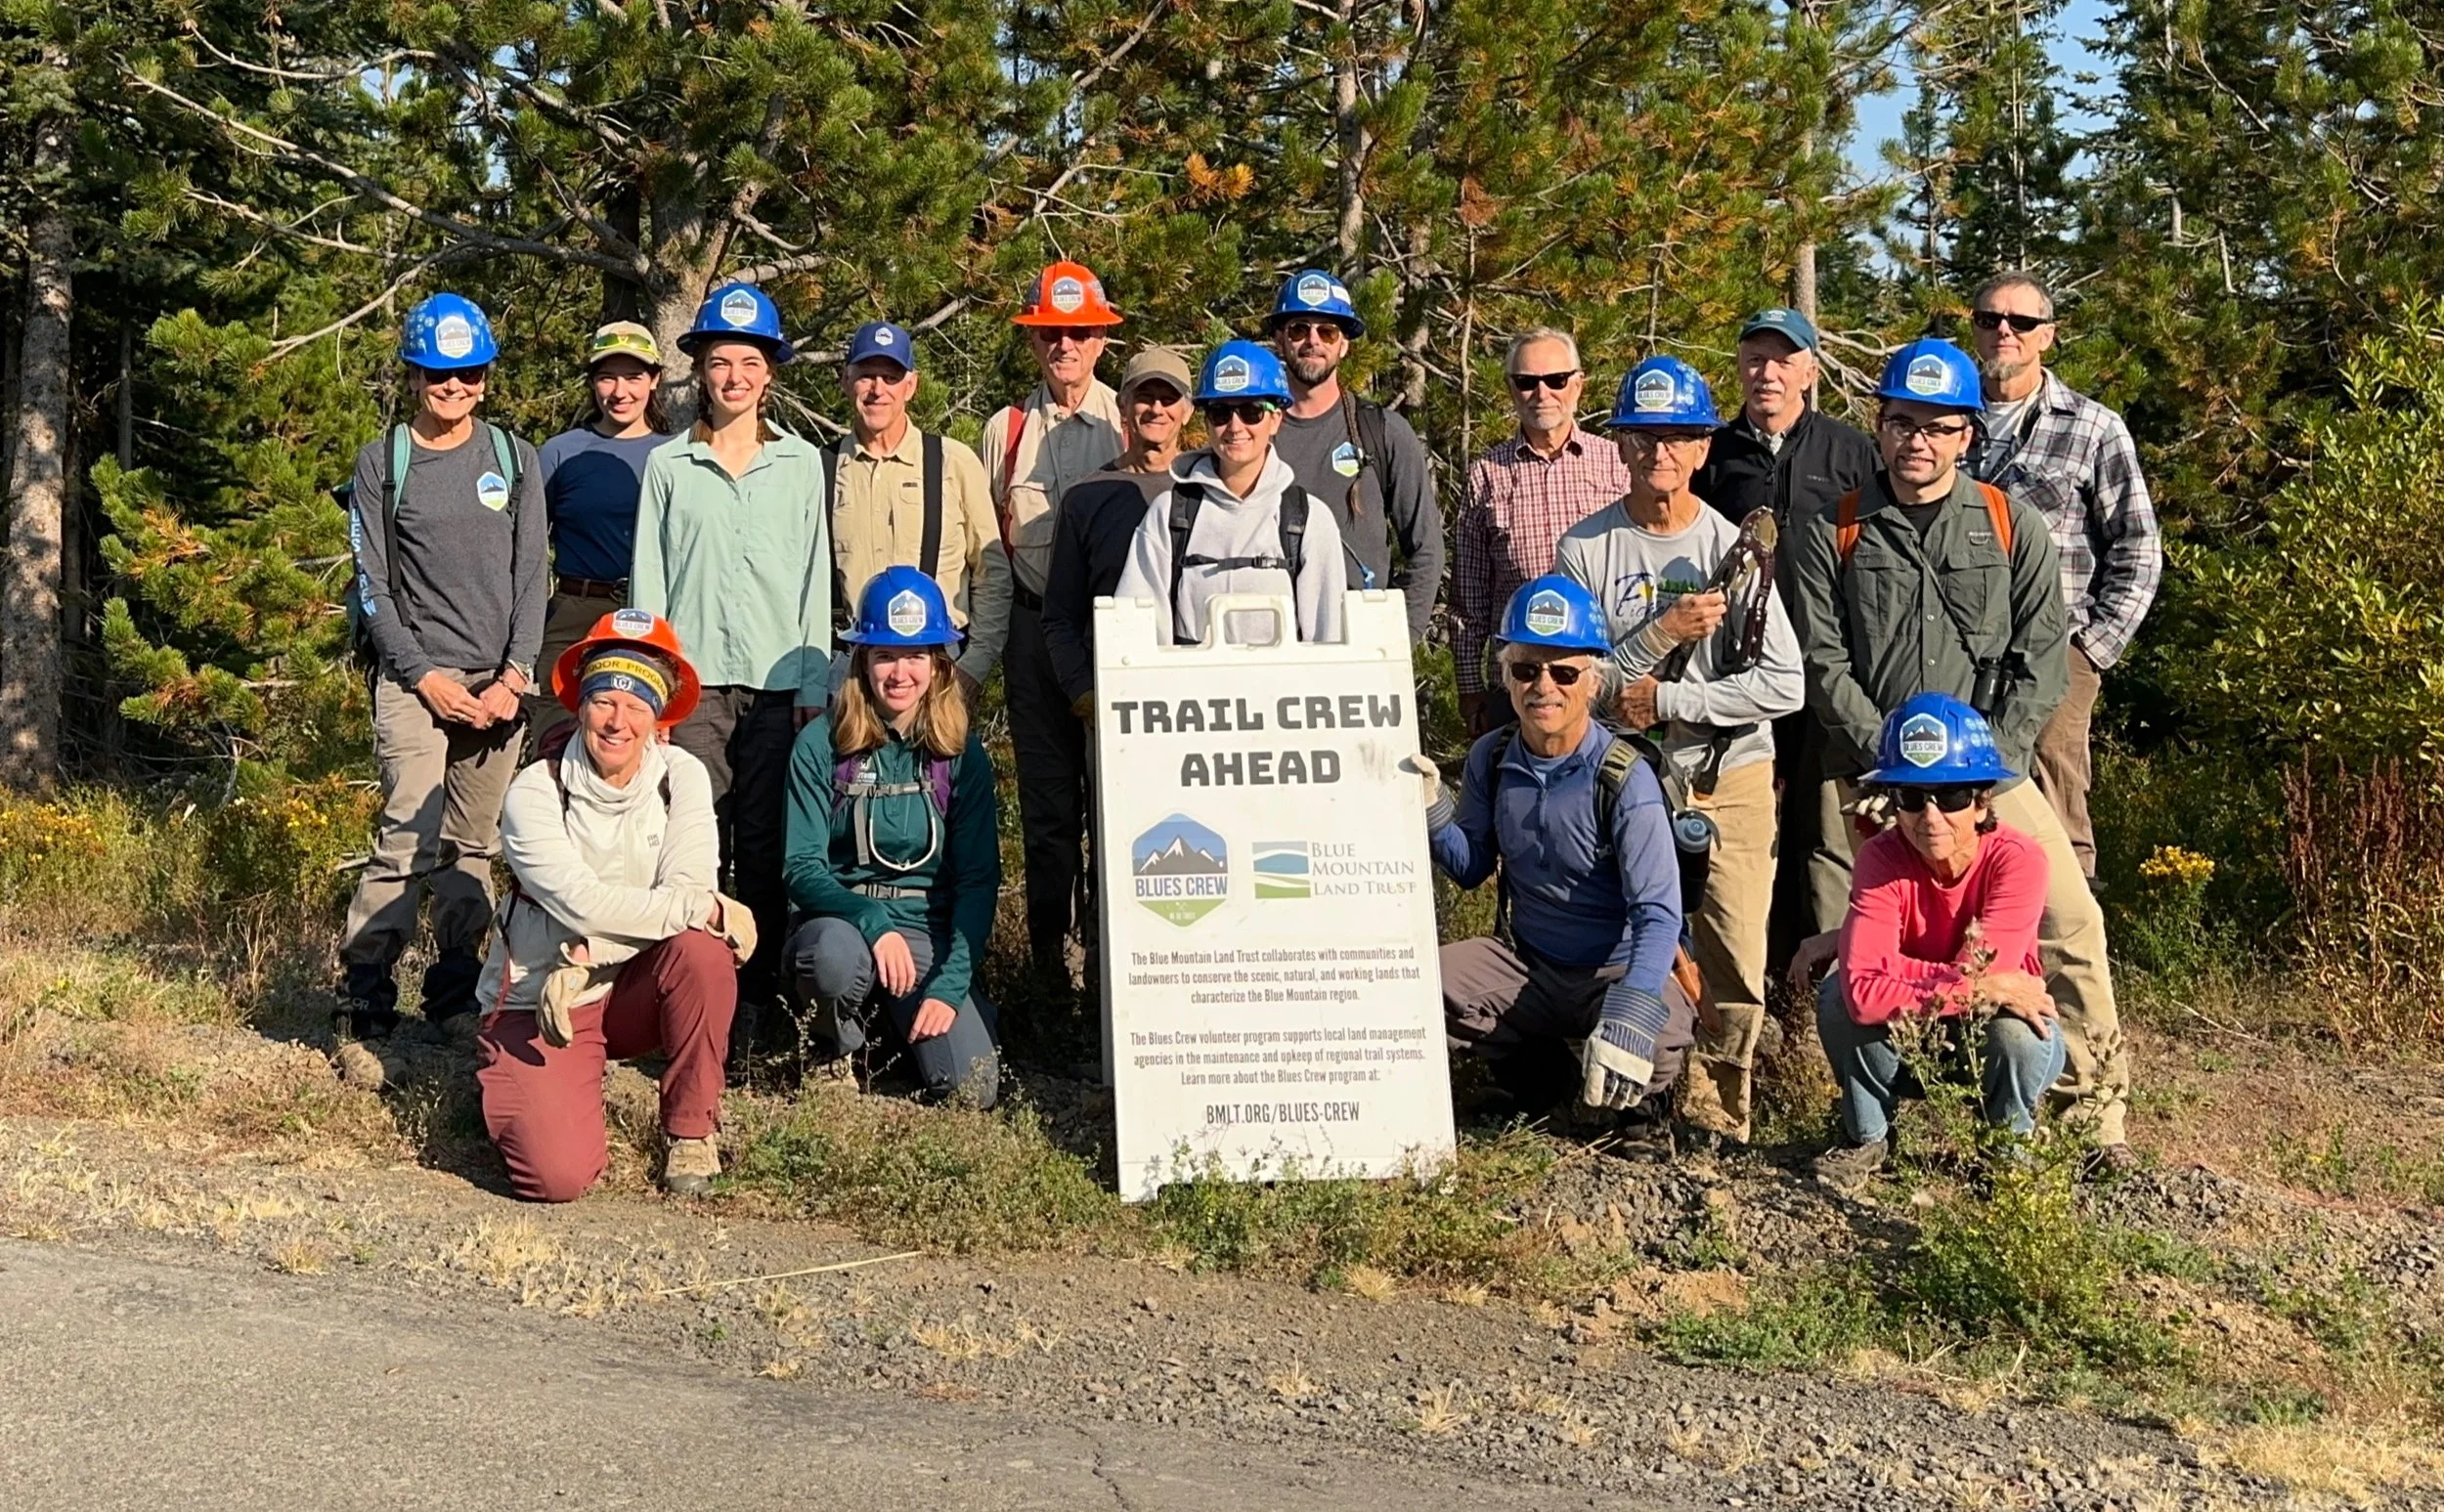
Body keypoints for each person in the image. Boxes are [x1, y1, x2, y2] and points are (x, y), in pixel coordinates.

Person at [1787, 336, 2132, 1162]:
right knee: (1860, 947)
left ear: (1967, 434)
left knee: (2071, 921)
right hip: (1874, 774)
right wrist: (1893, 762)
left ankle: (2093, 1120)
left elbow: (2042, 656)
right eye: (1904, 422)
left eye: (1940, 427)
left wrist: (1981, 767)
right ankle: (1868, 1120)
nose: (1919, 441)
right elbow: (1823, 658)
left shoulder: (2013, 526)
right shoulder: (1831, 528)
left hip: (1985, 771)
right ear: (1881, 425)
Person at [1555, 356, 1803, 1141]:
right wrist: (1661, 633)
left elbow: (1784, 683)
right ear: (1619, 446)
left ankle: (1722, 1115)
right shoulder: (1586, 550)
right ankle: (1642, 1092)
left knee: (1732, 949)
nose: (1658, 452)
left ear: (1702, 447)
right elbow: (1577, 688)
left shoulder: (1737, 549)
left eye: (1676, 437)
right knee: (1634, 940)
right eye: (1642, 437)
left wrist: (1672, 698)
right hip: (1627, 780)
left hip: (1729, 773)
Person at [474, 610, 756, 1201]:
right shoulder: (535, 789)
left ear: (660, 718)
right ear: (580, 704)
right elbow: (581, 903)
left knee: (702, 954)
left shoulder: (682, 775)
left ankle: (691, 1130)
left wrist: (602, 948)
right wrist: (693, 908)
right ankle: (519, 1076)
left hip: (629, 986)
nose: (618, 721)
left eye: (637, 704)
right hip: (543, 995)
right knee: (555, 1178)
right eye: (605, 699)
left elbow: (687, 887)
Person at [335, 292, 546, 1046]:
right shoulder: (383, 463)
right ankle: (366, 1001)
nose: (452, 386)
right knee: (404, 836)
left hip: (498, 690)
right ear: (414, 376)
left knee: (472, 847)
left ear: (485, 377)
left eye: (466, 373)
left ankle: (455, 999)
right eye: (436, 373)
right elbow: (375, 587)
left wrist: (513, 679)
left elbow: (531, 579)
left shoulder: (514, 461)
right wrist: (427, 679)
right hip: (414, 684)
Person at [632, 281, 831, 1064]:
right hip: (697, 686)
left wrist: (815, 687)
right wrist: (655, 692)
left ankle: (766, 1008)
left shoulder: (801, 465)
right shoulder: (669, 467)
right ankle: (699, 1004)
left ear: (769, 373)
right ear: (700, 373)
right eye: (720, 363)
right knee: (696, 844)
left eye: (749, 362)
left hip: (783, 685)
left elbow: (817, 580)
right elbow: (649, 583)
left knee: (771, 844)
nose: (734, 378)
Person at [1422, 576, 1695, 1122]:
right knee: (1425, 987)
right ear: (1507, 676)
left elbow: (1659, 916)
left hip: (1612, 970)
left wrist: (1635, 1002)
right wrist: (1431, 809)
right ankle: (1545, 1085)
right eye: (1526, 669)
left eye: (1564, 672)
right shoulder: (1491, 757)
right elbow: (1472, 866)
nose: (1543, 686)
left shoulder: (1624, 776)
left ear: (1592, 682)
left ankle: (1638, 1110)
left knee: (1660, 1029)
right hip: (1532, 965)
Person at [1798, 694, 2069, 1193]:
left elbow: (1985, 976)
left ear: (1983, 799)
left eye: (1950, 798)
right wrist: (1980, 984)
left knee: (2019, 1036)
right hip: (1912, 1038)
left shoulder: (2019, 860)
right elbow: (1863, 993)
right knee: (1838, 1000)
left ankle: (2007, 1153)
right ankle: (1868, 1138)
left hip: (1979, 1037)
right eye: (1911, 797)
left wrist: (1895, 970)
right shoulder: (1879, 859)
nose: (1930, 816)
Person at [1691, 307, 1878, 973]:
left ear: (1809, 371)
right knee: (1743, 834)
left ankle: (1820, 986)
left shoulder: (1850, 451)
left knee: (1822, 837)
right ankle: (1746, 980)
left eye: (1781, 360)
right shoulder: (1711, 454)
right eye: (1753, 359)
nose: (1765, 373)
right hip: (1739, 674)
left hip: (1826, 674)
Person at [1964, 273, 2162, 887]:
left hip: (2057, 647)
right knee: (1957, 796)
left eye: (2021, 323)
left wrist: (2091, 651)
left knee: (2052, 794)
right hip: (1959, 646)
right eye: (1990, 319)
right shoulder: (1940, 420)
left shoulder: (2093, 427)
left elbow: (2139, 544)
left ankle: (2069, 958)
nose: (2004, 331)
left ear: (2046, 336)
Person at [785, 569, 1001, 1107]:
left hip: (926, 931)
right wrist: (873, 924)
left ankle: (899, 1033)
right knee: (832, 961)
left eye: (916, 656)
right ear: (862, 660)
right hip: (843, 926)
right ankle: (835, 1047)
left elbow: (978, 882)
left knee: (973, 1089)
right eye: (884, 655)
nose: (900, 672)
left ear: (938, 664)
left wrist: (951, 987)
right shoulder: (821, 744)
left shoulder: (961, 754)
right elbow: (801, 867)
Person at [985, 260, 1127, 993]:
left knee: (1115, 807)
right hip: (1033, 634)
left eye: (1077, 332)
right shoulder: (1004, 432)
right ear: (1034, 343)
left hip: (1113, 643)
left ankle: (1111, 972)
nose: (1063, 345)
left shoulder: (1127, 420)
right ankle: (1047, 977)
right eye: (1050, 333)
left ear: (1101, 339)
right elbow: (991, 546)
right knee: (1046, 811)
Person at [1452, 327, 1634, 738]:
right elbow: (1469, 598)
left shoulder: (1616, 464)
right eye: (1527, 382)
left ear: (1578, 384)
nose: (1542, 393)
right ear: (1511, 388)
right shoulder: (1486, 474)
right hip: (1518, 683)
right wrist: (1469, 687)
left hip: (1598, 682)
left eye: (1556, 380)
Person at [1114, 341, 1349, 645]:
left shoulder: (1307, 520)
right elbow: (1135, 633)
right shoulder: (1168, 514)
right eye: (1220, 412)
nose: (1235, 427)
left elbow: (1330, 644)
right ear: (1206, 421)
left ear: (1276, 418)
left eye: (1251, 412)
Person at [830, 320, 1010, 698]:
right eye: (866, 376)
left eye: (890, 377)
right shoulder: (823, 469)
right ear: (846, 381)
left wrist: (973, 668)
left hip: (940, 668)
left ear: (911, 386)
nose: (877, 390)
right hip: (852, 671)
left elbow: (992, 573)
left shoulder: (952, 462)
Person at [1263, 269, 1442, 642]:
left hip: (1361, 645)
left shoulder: (1383, 432)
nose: (1312, 341)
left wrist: (1400, 640)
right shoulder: (1253, 433)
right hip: (1271, 643)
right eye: (1298, 329)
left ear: (1344, 344)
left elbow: (1426, 548)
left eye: (1327, 331)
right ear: (1280, 338)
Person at [530, 322, 675, 742]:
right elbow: (527, 547)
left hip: (651, 617)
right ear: (592, 383)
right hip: (575, 611)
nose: (620, 390)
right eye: (607, 377)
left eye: (633, 377)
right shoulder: (561, 452)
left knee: (637, 748)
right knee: (557, 740)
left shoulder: (675, 454)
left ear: (655, 380)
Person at [1041, 345, 1198, 713]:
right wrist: (1083, 692)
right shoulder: (1086, 497)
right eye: (1145, 396)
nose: (1156, 409)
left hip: (1202, 695)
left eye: (1168, 398)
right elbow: (1060, 616)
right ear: (1123, 404)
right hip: (1117, 696)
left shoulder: (1210, 490)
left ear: (1187, 411)